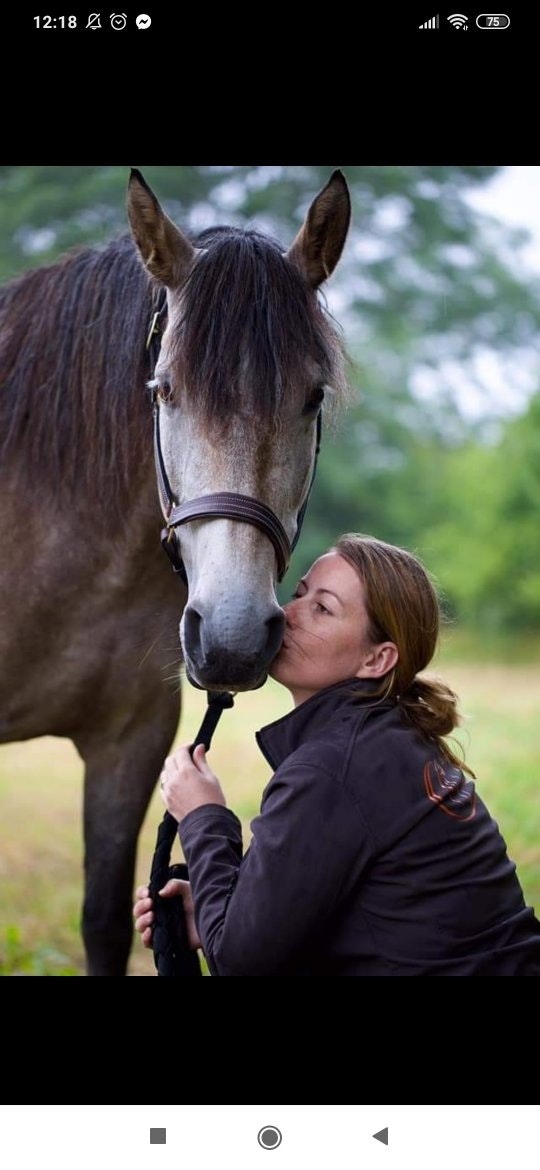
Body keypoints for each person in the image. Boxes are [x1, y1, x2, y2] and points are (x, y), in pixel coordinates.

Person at [134, 534, 540, 976]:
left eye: (322, 609)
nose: (287, 615)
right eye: (300, 594)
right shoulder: (389, 740)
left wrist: (203, 816)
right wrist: (218, 908)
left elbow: (239, 961)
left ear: (377, 659)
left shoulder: (332, 767)